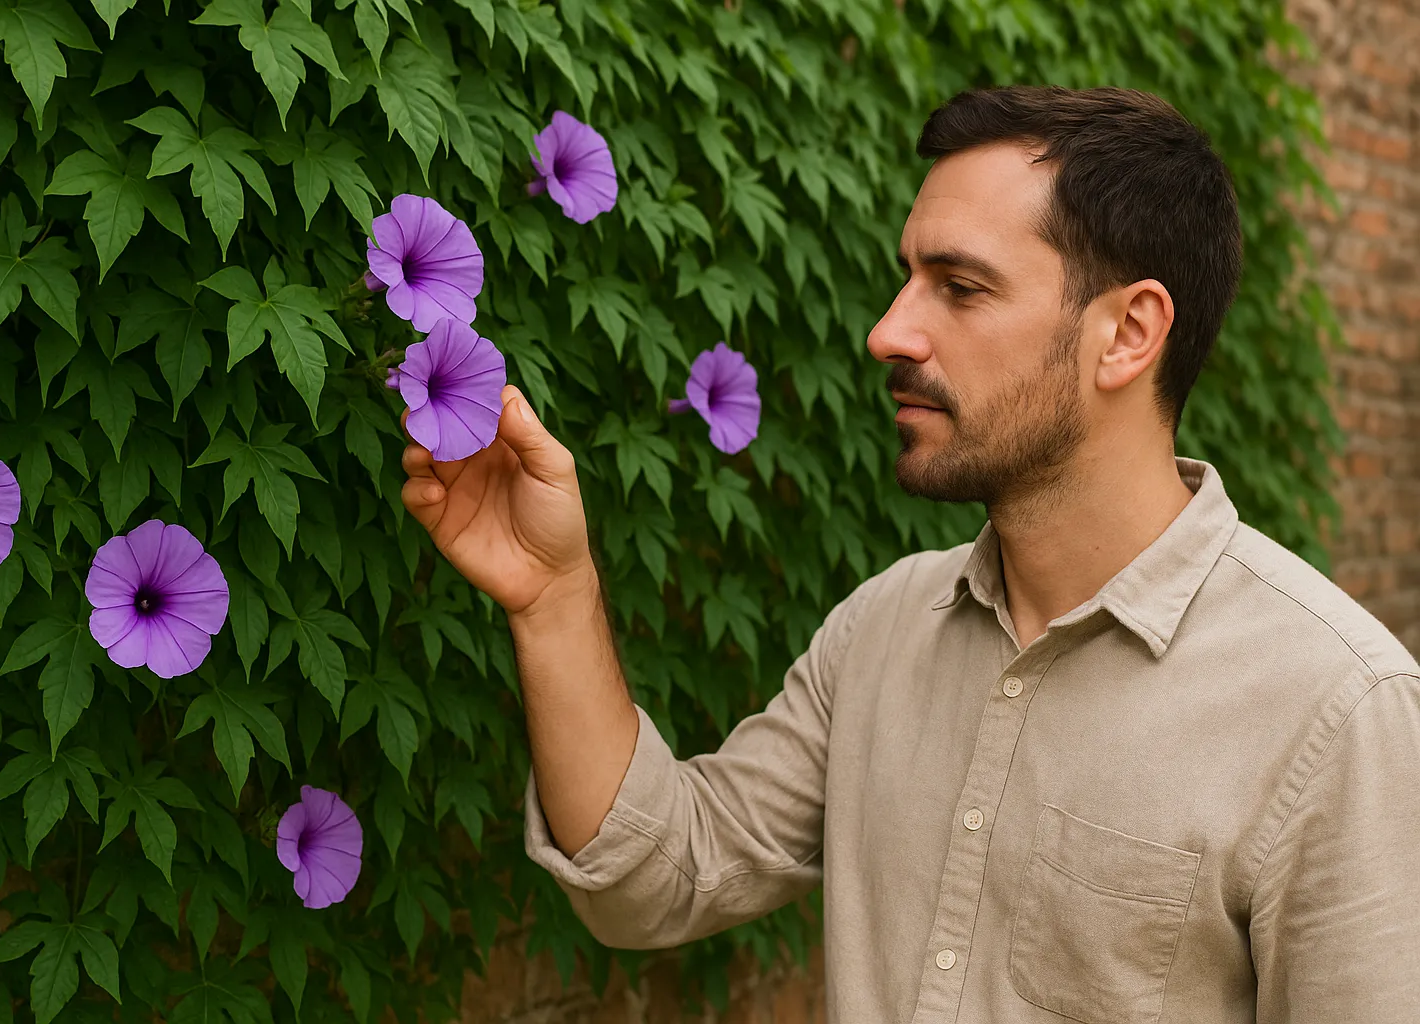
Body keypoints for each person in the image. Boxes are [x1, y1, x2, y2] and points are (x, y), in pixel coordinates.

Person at [397, 85, 1420, 1023]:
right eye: (906, 278)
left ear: (1127, 333)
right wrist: (555, 595)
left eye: (960, 287)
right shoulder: (882, 627)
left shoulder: (1337, 712)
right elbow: (656, 877)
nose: (889, 331)